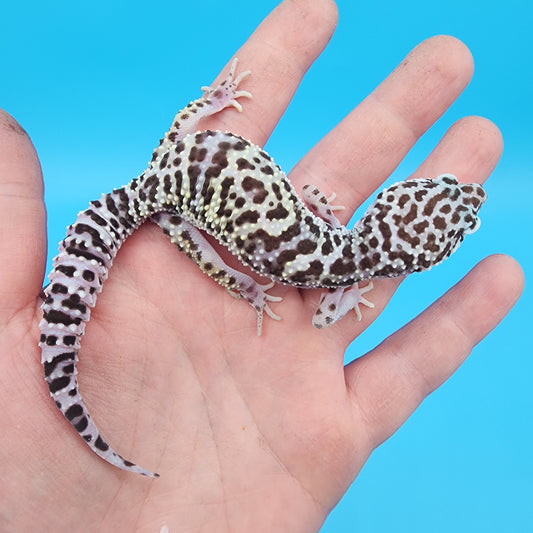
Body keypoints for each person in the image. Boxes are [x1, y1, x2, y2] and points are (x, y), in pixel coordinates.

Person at [0, 0, 523, 530]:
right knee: (236, 268)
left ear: (392, 203)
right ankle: (233, 275)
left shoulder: (334, 241)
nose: (465, 196)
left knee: (227, 250)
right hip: (173, 193)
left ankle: (215, 166)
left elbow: (309, 234)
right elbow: (322, 318)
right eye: (450, 192)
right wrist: (269, 287)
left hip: (184, 161)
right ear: (414, 256)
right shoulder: (342, 271)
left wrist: (216, 104)